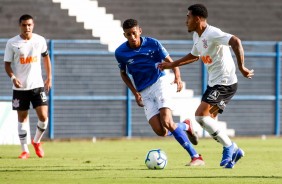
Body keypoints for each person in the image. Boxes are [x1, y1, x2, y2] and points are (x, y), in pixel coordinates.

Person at [159, 4, 254, 169]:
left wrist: (241, 67)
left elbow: (236, 41)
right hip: (214, 84)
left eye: (188, 17)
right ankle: (235, 150)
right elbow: (194, 56)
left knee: (200, 116)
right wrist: (172, 64)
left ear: (197, 19)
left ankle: (229, 147)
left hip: (225, 83)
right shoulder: (197, 36)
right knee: (208, 121)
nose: (186, 21)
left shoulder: (212, 33)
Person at [115, 18, 205, 166]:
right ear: (124, 35)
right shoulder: (120, 53)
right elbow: (123, 73)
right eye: (128, 34)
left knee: (167, 122)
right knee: (161, 131)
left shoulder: (153, 44)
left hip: (159, 83)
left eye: (134, 33)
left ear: (139, 31)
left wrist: (177, 76)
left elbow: (170, 61)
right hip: (143, 91)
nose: (132, 37)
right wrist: (135, 93)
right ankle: (185, 126)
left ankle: (196, 157)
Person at [4, 14, 52, 159]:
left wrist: (49, 77)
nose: (27, 28)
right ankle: (25, 150)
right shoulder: (12, 43)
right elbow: (7, 64)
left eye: (29, 25)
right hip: (20, 88)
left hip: (37, 86)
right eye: (24, 25)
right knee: (22, 118)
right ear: (20, 26)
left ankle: (36, 141)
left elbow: (46, 58)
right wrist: (13, 78)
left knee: (43, 117)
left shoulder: (40, 40)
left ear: (33, 25)